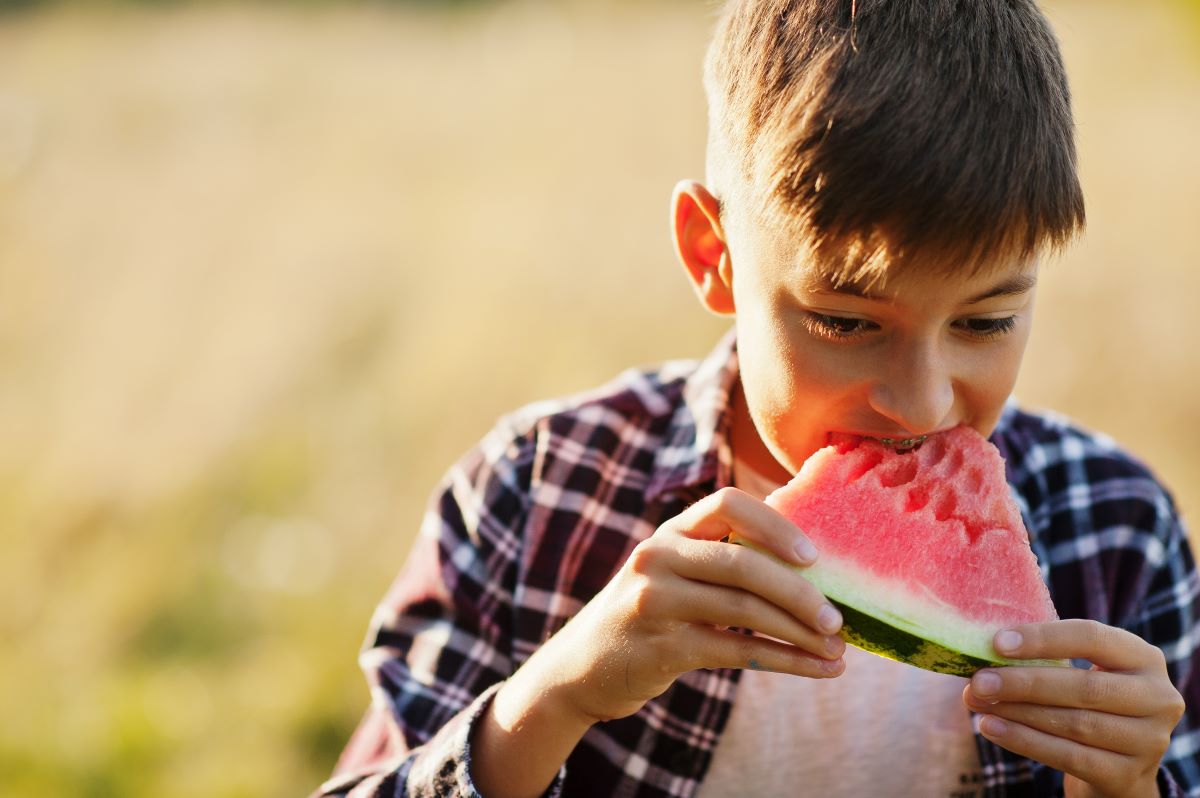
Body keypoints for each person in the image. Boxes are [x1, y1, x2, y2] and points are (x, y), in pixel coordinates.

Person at [314, 1, 1199, 795]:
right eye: (847, 324)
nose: (924, 406)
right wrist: (550, 701)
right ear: (715, 255)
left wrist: (1123, 792)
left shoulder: (1116, 531)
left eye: (986, 322)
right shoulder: (534, 496)